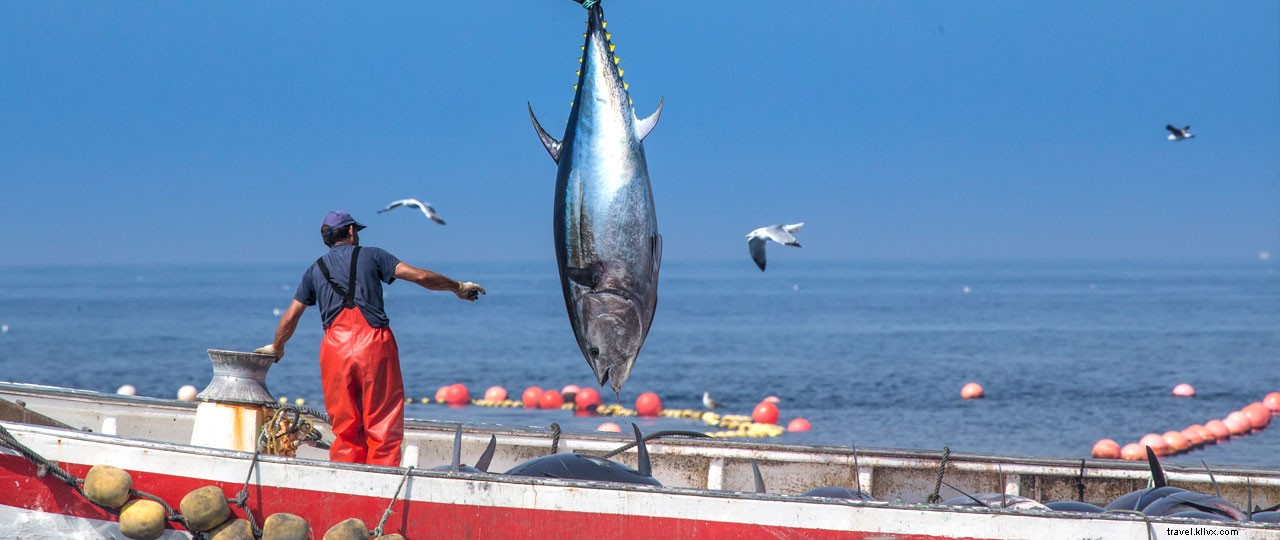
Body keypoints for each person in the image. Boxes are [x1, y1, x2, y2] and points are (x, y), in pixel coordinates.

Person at [255, 210, 486, 465]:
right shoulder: (373, 255)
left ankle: (347, 481)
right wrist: (458, 287)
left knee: (344, 425)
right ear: (351, 231)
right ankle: (382, 484)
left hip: (335, 349)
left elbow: (292, 315)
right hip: (374, 343)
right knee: (383, 420)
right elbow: (420, 276)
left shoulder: (314, 271)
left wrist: (277, 347)